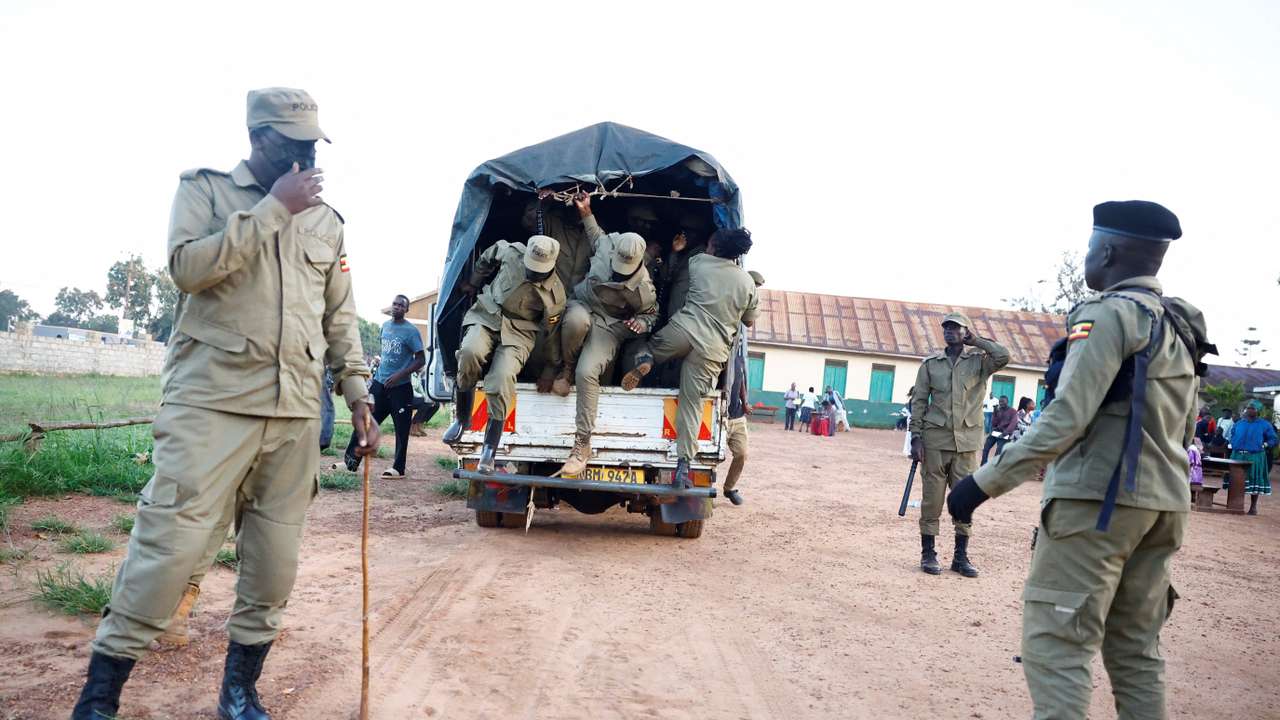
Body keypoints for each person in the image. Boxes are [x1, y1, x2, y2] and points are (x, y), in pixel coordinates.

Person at [71, 88, 380, 720]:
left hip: (294, 413)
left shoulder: (328, 221)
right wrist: (271, 209)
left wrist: (359, 398)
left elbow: (339, 319)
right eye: (291, 146)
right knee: (168, 551)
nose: (304, 158)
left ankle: (239, 691)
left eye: (311, 147)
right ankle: (100, 698)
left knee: (273, 567)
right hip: (211, 405)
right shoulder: (206, 191)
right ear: (258, 140)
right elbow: (187, 268)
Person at [947, 200, 1208, 720]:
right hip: (1163, 506)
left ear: (1106, 251)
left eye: (1090, 247)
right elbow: (1186, 425)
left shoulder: (1110, 316)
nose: (1088, 256)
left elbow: (1067, 417)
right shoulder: (1178, 324)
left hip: (1098, 504)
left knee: (1059, 647)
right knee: (1136, 652)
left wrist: (982, 483)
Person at [620, 227, 759, 488]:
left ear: (714, 248)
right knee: (691, 403)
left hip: (682, 330)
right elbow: (749, 321)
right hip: (711, 349)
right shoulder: (747, 282)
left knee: (646, 346)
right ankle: (683, 466)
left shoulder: (698, 262)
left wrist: (677, 252)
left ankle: (645, 361)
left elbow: (676, 277)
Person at [553, 194, 658, 476]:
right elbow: (595, 233)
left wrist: (641, 323)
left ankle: (581, 444)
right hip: (583, 304)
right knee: (574, 320)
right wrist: (586, 211)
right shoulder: (609, 243)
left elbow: (652, 315)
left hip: (609, 325)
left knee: (588, 372)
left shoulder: (643, 288)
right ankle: (565, 367)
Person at [442, 236, 566, 472]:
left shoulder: (555, 296)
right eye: (530, 267)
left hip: (520, 332)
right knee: (469, 352)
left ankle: (490, 448)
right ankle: (462, 417)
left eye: (539, 271)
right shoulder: (510, 251)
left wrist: (550, 369)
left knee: (501, 379)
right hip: (488, 314)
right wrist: (474, 281)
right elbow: (487, 257)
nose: (533, 273)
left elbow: (551, 336)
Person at [908, 312, 1010, 578]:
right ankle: (928, 553)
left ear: (965, 332)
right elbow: (919, 401)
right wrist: (916, 437)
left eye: (956, 328)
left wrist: (977, 341)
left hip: (966, 444)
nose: (950, 331)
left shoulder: (979, 362)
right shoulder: (931, 364)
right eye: (947, 328)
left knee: (963, 501)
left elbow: (1004, 355)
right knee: (932, 500)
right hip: (935, 442)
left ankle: (960, 556)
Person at [344, 294, 425, 478]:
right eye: (394, 304)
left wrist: (399, 375)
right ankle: (350, 462)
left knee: (401, 429)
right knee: (365, 421)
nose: (396, 307)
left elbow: (421, 359)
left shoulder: (411, 331)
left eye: (401, 305)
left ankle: (398, 468)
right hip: (380, 384)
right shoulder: (385, 327)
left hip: (401, 388)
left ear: (406, 310)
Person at [718, 269, 766, 505]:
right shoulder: (720, 339)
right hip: (719, 412)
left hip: (736, 414)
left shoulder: (738, 347)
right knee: (707, 456)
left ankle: (729, 488)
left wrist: (745, 401)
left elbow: (741, 377)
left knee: (742, 453)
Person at [1230, 402, 1278, 515]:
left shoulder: (1265, 424)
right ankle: (1234, 505)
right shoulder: (1239, 423)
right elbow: (1232, 435)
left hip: (1255, 456)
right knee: (1236, 480)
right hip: (1237, 455)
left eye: (1252, 408)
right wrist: (1233, 443)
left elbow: (1273, 439)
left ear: (1257, 411)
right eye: (1248, 408)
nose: (1249, 410)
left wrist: (1264, 445)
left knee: (1254, 479)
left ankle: (1253, 507)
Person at [981, 395, 1018, 465]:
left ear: (1007, 402)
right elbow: (994, 423)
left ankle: (993, 466)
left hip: (1005, 434)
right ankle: (983, 464)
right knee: (985, 448)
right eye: (1000, 402)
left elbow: (1013, 423)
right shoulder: (998, 410)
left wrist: (1006, 432)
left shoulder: (1013, 411)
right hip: (996, 432)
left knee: (998, 452)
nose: (1001, 403)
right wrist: (995, 413)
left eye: (1003, 401)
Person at [409, 369, 439, 437]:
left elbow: (421, 389)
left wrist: (429, 398)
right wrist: (424, 398)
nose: (422, 368)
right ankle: (413, 425)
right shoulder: (410, 374)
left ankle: (420, 424)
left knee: (436, 404)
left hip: (415, 397)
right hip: (407, 398)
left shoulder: (418, 375)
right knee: (425, 402)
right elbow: (411, 390)